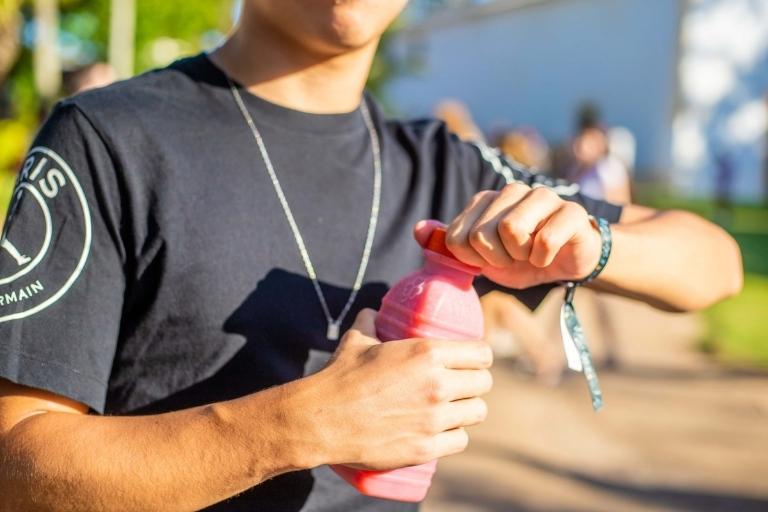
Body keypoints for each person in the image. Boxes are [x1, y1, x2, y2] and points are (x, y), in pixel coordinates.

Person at [0, 2, 742, 511]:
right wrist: (306, 424)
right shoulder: (106, 139)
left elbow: (713, 265)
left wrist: (592, 239)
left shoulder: (448, 169)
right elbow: (15, 466)